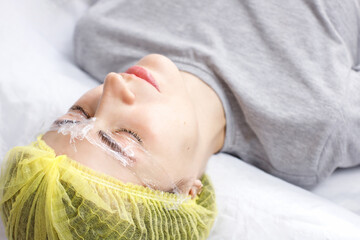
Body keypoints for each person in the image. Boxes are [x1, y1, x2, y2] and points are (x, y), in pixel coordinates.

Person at [1, 0, 360, 239]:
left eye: (77, 115)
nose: (111, 85)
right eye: (124, 138)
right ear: (187, 195)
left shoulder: (103, 33)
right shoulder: (318, 123)